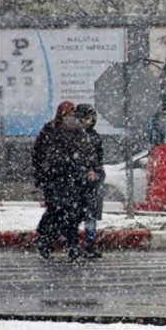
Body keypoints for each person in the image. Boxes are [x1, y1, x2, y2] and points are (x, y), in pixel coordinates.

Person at [32, 101, 97, 261]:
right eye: (66, 115)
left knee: (73, 213)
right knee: (56, 211)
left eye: (72, 115)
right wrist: (43, 170)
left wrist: (89, 167)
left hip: (72, 178)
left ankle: (71, 245)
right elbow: (38, 152)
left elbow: (87, 151)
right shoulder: (50, 130)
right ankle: (45, 241)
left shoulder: (78, 131)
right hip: (54, 179)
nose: (69, 118)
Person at [75, 104, 105, 259]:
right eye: (84, 118)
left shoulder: (94, 136)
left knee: (90, 216)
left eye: (90, 118)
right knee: (73, 215)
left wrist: (95, 173)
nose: (88, 121)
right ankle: (72, 244)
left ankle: (90, 244)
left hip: (91, 186)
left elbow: (99, 160)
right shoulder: (72, 136)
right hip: (75, 184)